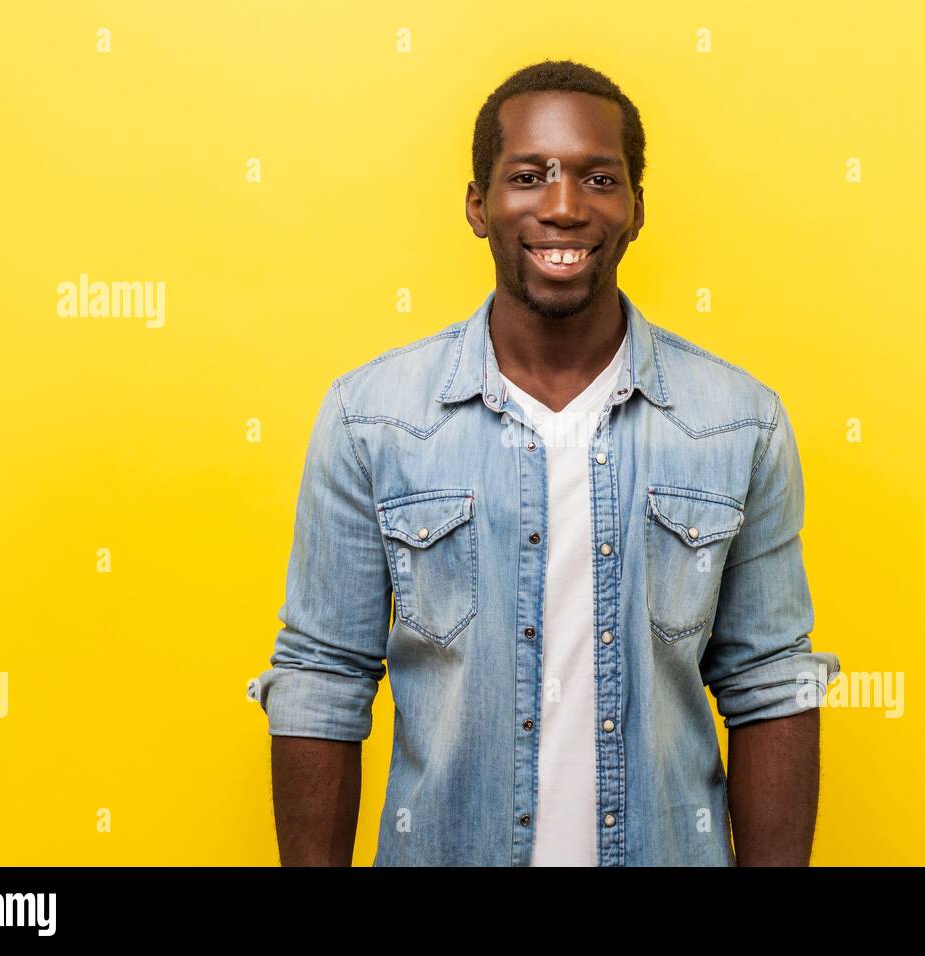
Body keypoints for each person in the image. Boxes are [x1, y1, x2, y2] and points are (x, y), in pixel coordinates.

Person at [252, 59, 840, 866]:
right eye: (529, 176)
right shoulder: (371, 419)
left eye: (599, 178)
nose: (564, 207)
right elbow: (323, 678)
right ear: (477, 206)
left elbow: (770, 685)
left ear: (636, 209)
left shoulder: (738, 422)